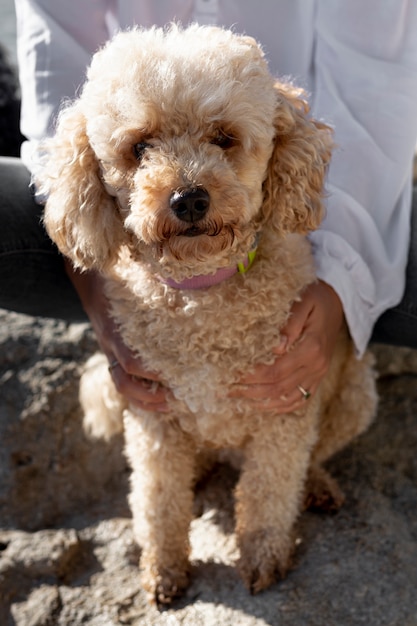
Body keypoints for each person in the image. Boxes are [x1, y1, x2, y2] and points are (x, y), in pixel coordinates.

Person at [3, 0, 417, 414]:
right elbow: (55, 86)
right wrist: (99, 294)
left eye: (222, 138)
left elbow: (377, 89)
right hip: (126, 220)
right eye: (143, 147)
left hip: (319, 189)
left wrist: (337, 286)